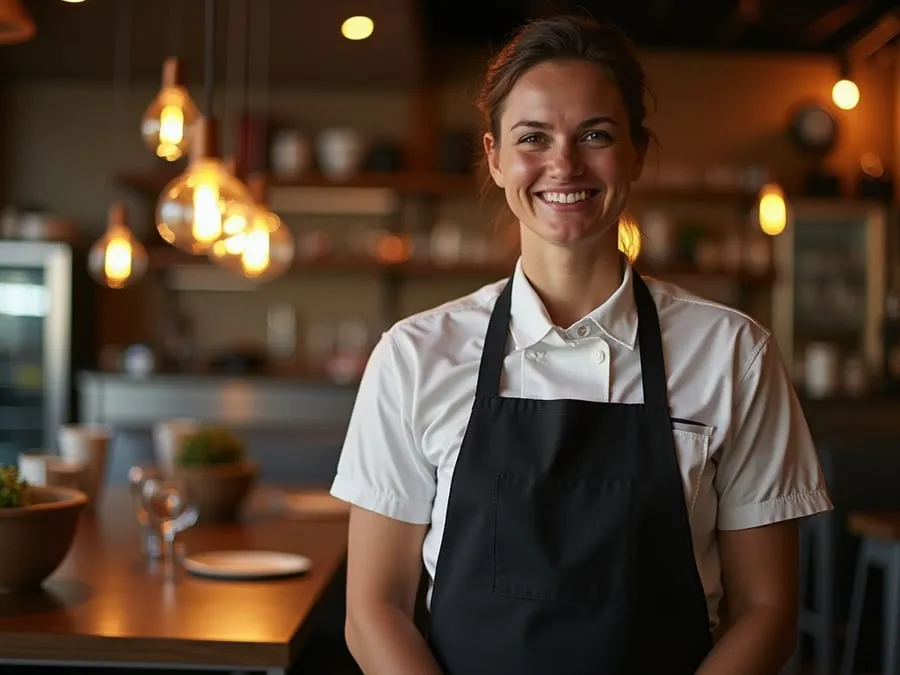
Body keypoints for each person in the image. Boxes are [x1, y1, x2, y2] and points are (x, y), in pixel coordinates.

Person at [329, 14, 833, 675]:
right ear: (495, 155)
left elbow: (766, 609)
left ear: (637, 152)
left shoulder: (735, 353)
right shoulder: (413, 354)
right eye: (532, 137)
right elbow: (373, 611)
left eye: (595, 134)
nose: (562, 164)